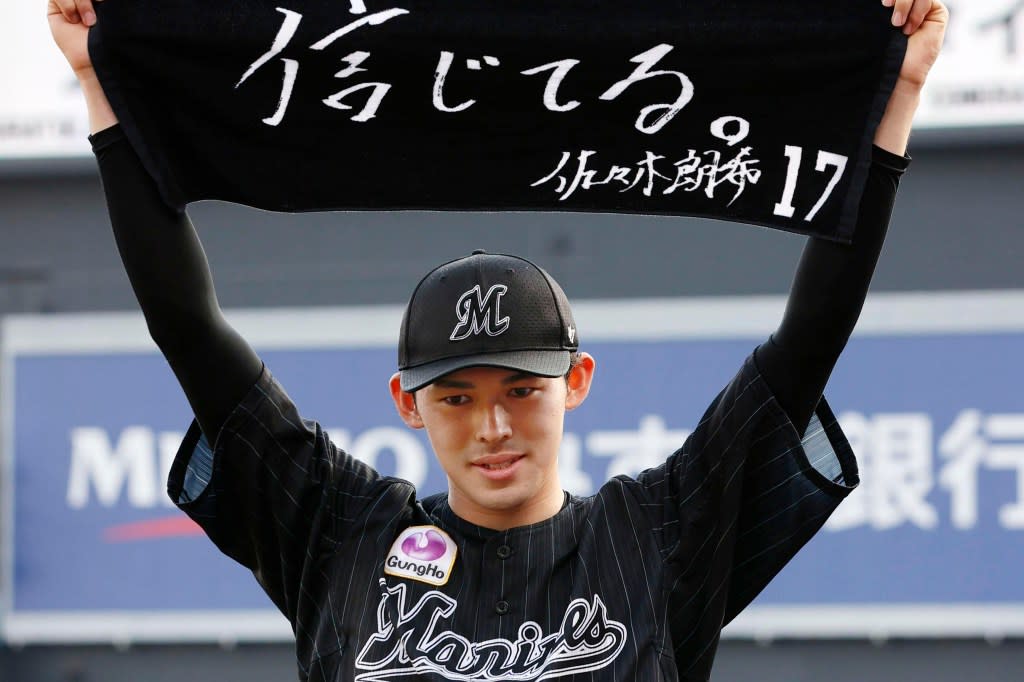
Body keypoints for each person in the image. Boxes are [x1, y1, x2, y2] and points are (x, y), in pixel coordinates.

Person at [49, 1, 947, 680]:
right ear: (408, 403)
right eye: (457, 395)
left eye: (522, 389)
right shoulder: (341, 534)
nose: (492, 428)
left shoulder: (657, 537)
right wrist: (100, 84)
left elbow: (806, 344)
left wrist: (895, 96)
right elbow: (189, 332)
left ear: (577, 381)